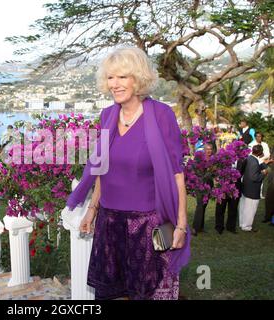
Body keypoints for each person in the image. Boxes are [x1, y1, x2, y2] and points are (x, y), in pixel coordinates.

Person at [66, 48, 190, 300]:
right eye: (111, 77)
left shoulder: (161, 115)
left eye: (122, 77)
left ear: (138, 78)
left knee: (150, 293)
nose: (115, 84)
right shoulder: (107, 116)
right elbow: (101, 168)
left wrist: (180, 225)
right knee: (109, 295)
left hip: (149, 225)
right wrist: (92, 209)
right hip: (110, 225)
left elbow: (177, 174)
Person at [238, 144, 272, 232]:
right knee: (250, 209)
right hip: (252, 190)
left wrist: (265, 164)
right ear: (260, 152)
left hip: (246, 188)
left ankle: (242, 224)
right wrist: (263, 173)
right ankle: (247, 227)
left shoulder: (249, 158)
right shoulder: (254, 162)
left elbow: (256, 167)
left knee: (244, 207)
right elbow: (254, 177)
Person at [191, 143, 214, 236]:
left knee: (204, 205)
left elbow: (213, 173)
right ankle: (195, 228)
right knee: (200, 205)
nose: (209, 151)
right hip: (200, 185)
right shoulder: (198, 159)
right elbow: (197, 173)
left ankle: (201, 227)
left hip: (208, 185)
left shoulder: (213, 159)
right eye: (207, 149)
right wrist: (209, 172)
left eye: (210, 149)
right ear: (204, 149)